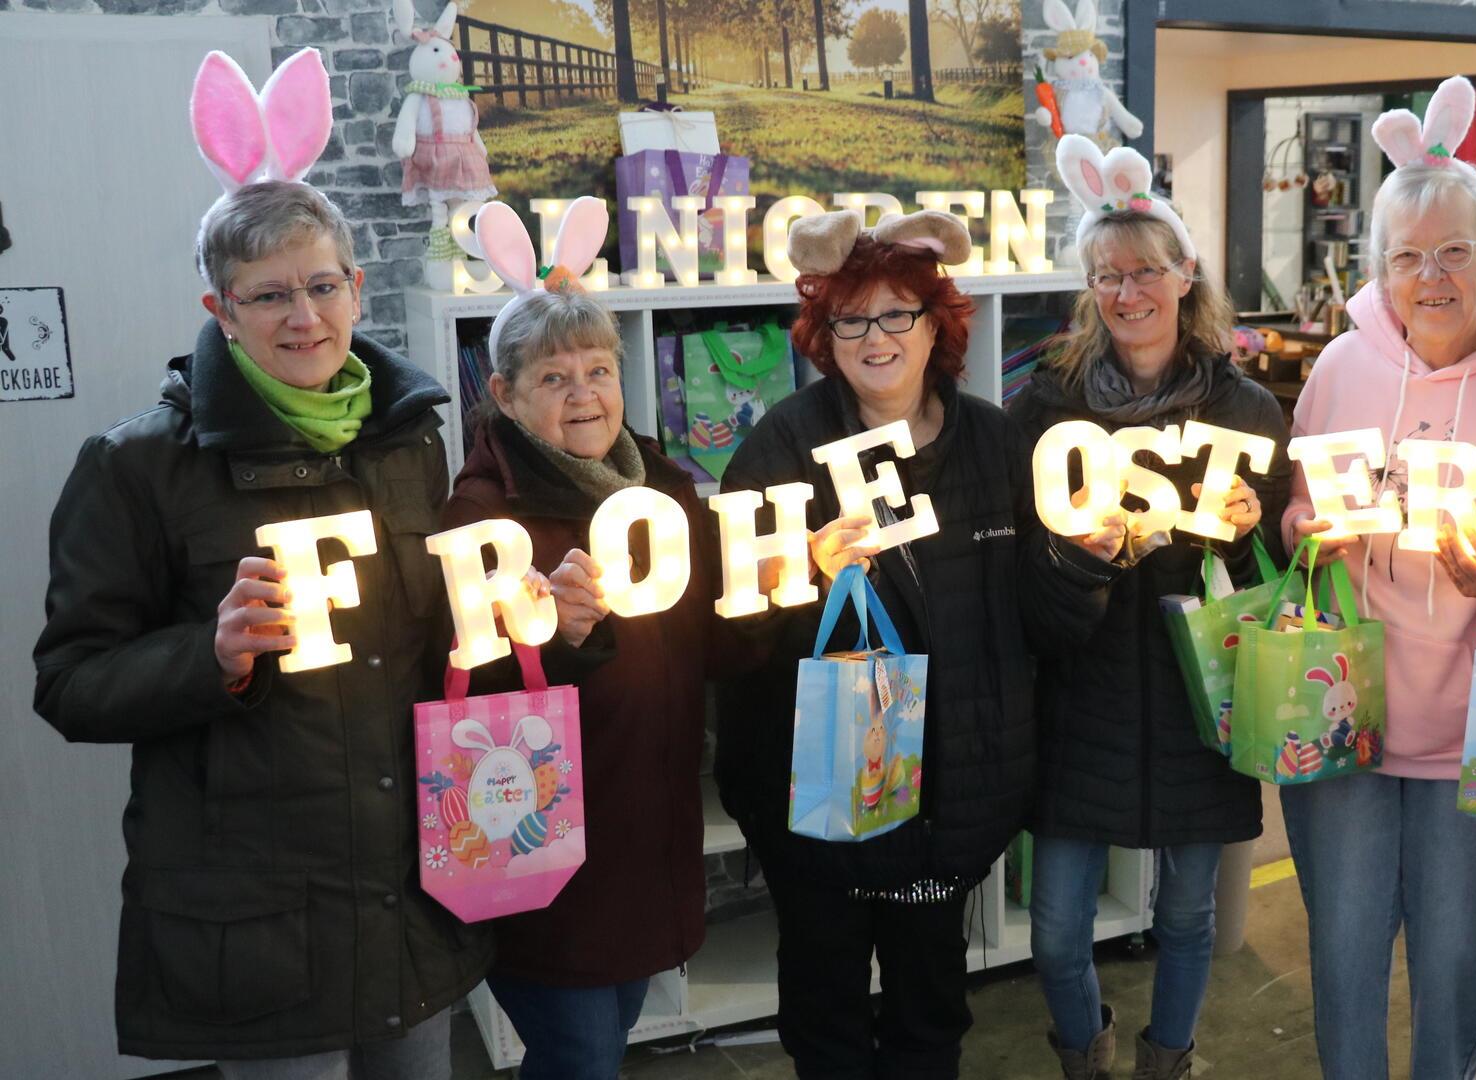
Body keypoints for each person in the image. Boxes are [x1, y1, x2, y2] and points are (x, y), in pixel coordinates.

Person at [33, 49, 484, 1076]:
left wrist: (529, 614)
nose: (304, 317)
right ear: (219, 313)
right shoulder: (137, 464)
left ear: (358, 286)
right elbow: (70, 685)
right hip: (258, 918)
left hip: (411, 883)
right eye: (269, 295)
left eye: (323, 285)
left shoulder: (410, 435)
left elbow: (430, 647)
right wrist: (214, 657)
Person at [713, 208, 1067, 1079]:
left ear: (935, 323)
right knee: (827, 1011)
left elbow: (1044, 622)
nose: (876, 337)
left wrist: (1087, 559)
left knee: (929, 1009)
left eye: (897, 313)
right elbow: (729, 642)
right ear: (823, 335)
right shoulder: (782, 445)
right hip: (822, 802)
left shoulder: (993, 438)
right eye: (851, 318)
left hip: (953, 797)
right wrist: (797, 574)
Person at [1275, 78, 1476, 1079]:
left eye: (1454, 251)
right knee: (1344, 961)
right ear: (1381, 269)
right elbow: (1295, 510)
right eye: (1408, 256)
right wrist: (1307, 528)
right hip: (1344, 717)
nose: (1431, 275)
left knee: (1459, 963)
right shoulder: (1339, 371)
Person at [1010, 134, 1286, 1080]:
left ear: (1184, 275)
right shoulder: (1043, 410)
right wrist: (1076, 560)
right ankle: (1083, 1059)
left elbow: (1274, 579)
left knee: (1189, 919)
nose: (1127, 293)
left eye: (1145, 272)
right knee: (1054, 933)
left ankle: (1169, 1060)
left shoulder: (1245, 411)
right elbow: (1025, 587)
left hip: (1200, 702)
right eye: (1106, 276)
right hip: (1078, 703)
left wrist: (1250, 534)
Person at [441, 199, 713, 1079]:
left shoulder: (664, 488)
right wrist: (553, 639)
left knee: (599, 1042)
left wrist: (802, 575)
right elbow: (454, 697)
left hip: (647, 833)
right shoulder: (483, 518)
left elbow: (713, 640)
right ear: (505, 395)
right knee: (581, 1056)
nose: (585, 394)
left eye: (598, 368)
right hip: (545, 850)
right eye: (554, 379)